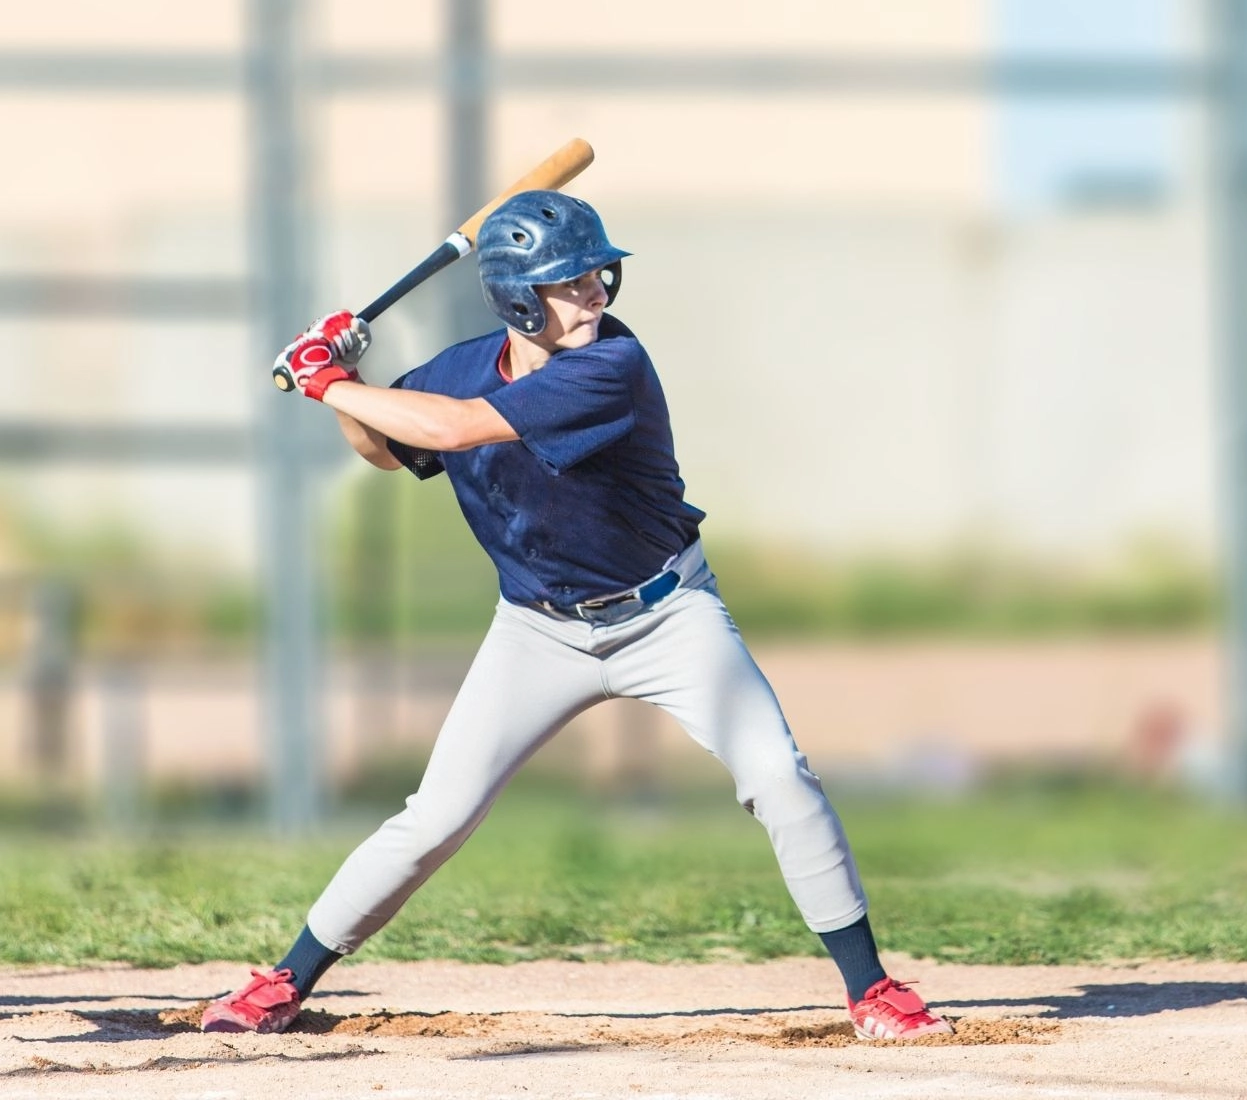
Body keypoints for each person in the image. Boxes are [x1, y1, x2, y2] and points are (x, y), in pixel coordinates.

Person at [201, 190, 951, 1042]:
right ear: (519, 299)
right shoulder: (459, 366)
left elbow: (451, 432)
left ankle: (871, 989)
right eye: (571, 281)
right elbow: (385, 447)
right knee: (436, 816)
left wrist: (326, 380)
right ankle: (285, 979)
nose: (596, 291)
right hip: (537, 630)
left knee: (778, 776)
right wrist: (344, 383)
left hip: (668, 615)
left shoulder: (611, 366)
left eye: (599, 274)